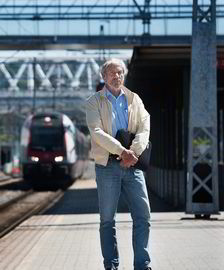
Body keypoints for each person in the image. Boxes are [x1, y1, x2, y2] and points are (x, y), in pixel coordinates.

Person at [85, 58, 152, 270]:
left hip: (133, 165)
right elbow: (97, 133)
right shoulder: (93, 102)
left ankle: (142, 266)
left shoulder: (135, 99)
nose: (118, 77)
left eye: (121, 73)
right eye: (113, 73)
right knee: (107, 220)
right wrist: (121, 151)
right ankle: (111, 266)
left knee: (143, 216)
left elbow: (145, 127)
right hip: (107, 167)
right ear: (104, 77)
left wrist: (133, 152)